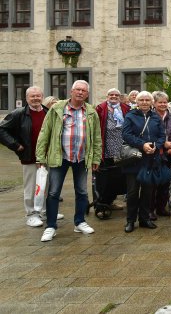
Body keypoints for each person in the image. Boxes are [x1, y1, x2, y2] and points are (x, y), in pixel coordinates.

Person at [36, 80, 101, 242]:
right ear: (71, 92)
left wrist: (96, 157)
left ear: (87, 94)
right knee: (53, 192)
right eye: (77, 90)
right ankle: (50, 226)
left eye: (83, 91)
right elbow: (45, 133)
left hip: (81, 157)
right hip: (60, 156)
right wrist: (40, 156)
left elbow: (97, 138)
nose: (80, 93)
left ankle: (79, 222)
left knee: (82, 192)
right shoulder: (57, 108)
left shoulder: (91, 112)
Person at [0, 86, 54, 227]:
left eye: (38, 96)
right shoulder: (19, 113)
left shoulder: (48, 112)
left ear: (42, 96)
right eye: (32, 96)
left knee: (46, 185)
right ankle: (31, 214)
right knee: (31, 187)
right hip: (29, 156)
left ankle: (43, 211)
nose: (35, 98)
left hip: (47, 156)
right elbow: (2, 129)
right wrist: (16, 145)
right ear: (27, 98)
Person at [122, 91, 165, 233]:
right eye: (142, 100)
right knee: (133, 192)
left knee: (148, 191)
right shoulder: (130, 116)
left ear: (152, 102)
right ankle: (130, 220)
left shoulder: (156, 117)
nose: (145, 102)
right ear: (137, 102)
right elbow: (126, 135)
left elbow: (162, 136)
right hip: (135, 159)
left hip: (151, 160)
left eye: (148, 100)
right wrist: (143, 145)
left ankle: (145, 219)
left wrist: (155, 146)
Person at [95, 88, 130, 210]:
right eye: (111, 94)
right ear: (107, 96)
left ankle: (112, 200)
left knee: (118, 176)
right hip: (106, 147)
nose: (114, 96)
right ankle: (103, 202)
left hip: (122, 147)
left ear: (120, 97)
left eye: (116, 95)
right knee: (105, 177)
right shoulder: (100, 108)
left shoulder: (125, 108)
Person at [153, 91, 171, 217]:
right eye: (160, 102)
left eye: (165, 102)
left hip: (170, 154)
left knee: (166, 182)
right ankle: (150, 210)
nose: (163, 104)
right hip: (155, 154)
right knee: (153, 183)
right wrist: (165, 145)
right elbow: (151, 135)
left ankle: (161, 208)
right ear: (154, 103)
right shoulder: (151, 116)